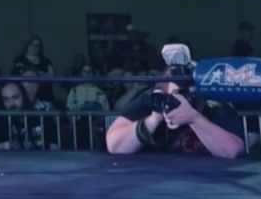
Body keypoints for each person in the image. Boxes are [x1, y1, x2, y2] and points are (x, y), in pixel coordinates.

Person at [104, 44, 246, 159]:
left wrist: (194, 118)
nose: (183, 99)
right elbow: (114, 145)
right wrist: (153, 120)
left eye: (190, 93)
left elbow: (233, 150)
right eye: (178, 93)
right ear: (165, 88)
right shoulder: (152, 100)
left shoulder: (215, 104)